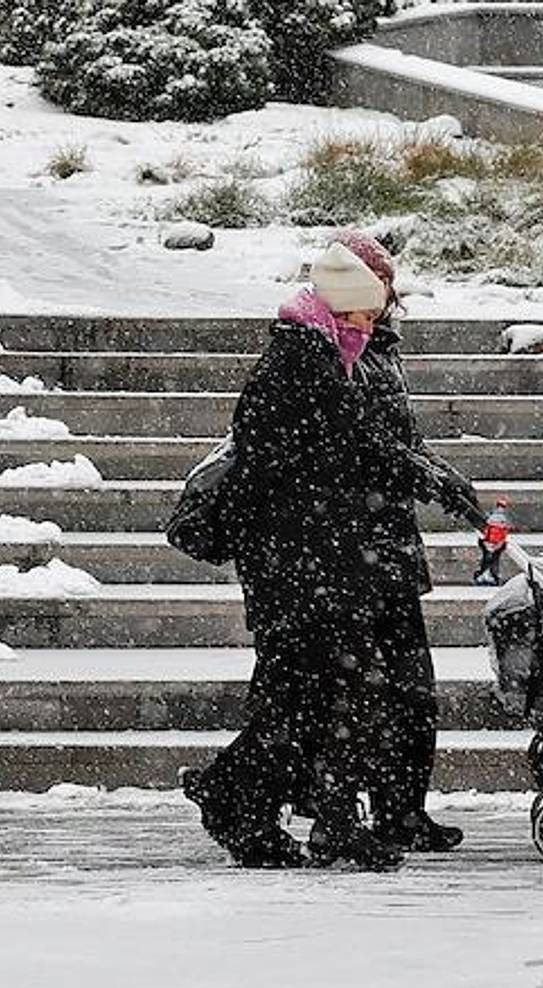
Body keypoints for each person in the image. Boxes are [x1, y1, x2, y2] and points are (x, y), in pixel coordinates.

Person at [182, 231, 482, 869]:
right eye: (363, 315)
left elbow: (349, 450)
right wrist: (414, 474)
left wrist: (417, 474)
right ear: (339, 305)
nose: (371, 327)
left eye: (375, 316)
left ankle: (252, 805)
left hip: (323, 556)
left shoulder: (329, 354)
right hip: (299, 563)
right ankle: (289, 814)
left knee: (319, 695)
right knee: (333, 692)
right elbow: (326, 456)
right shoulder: (300, 361)